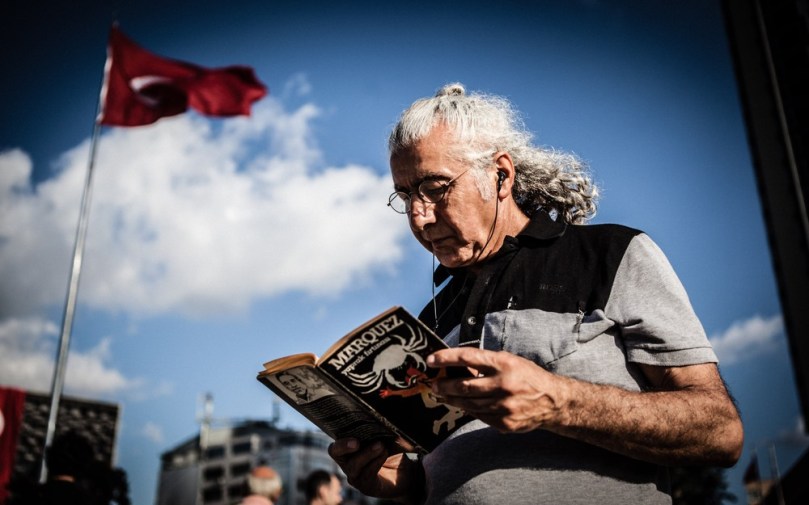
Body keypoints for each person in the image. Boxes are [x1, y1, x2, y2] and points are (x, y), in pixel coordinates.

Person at [328, 83, 744, 504]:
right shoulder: (429, 318)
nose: (418, 217)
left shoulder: (610, 255)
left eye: (435, 187)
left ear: (500, 175)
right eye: (405, 195)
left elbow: (721, 432)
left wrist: (555, 400)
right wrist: (401, 481)